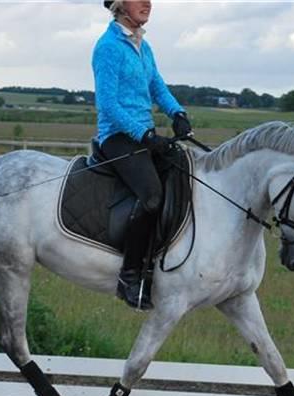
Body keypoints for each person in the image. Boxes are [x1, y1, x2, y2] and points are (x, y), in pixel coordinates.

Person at [93, 0, 192, 310]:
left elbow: (157, 87)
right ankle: (130, 276)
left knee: (184, 174)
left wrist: (177, 112)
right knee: (151, 196)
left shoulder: (142, 45)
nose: (148, 3)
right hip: (119, 138)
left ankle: (164, 257)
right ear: (121, 5)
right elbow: (108, 105)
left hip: (142, 135)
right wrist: (145, 135)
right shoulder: (108, 47)